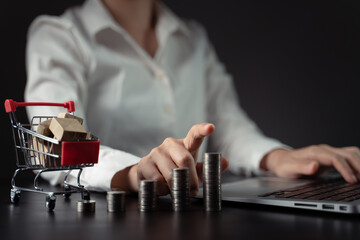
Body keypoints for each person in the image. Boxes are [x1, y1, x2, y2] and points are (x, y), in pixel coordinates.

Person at [25, 0, 360, 195]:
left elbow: (228, 128)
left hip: (194, 217)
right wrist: (130, 172)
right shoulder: (58, 36)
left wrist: (276, 157)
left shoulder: (193, 39)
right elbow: (52, 141)